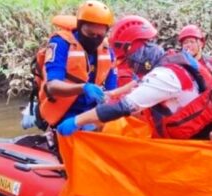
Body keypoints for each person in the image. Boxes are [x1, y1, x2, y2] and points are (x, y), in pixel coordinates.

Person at [57, 15, 212, 140]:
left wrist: (77, 121)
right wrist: (111, 94)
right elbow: (138, 84)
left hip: (197, 139)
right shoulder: (172, 63)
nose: (128, 63)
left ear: (138, 52)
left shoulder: (164, 77)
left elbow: (122, 107)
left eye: (127, 57)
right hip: (194, 132)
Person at [36, 0, 117, 132]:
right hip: (62, 111)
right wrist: (83, 88)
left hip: (89, 111)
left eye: (100, 35)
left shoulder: (107, 50)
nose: (95, 39)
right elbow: (52, 86)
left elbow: (112, 90)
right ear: (79, 27)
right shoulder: (61, 43)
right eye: (90, 34)